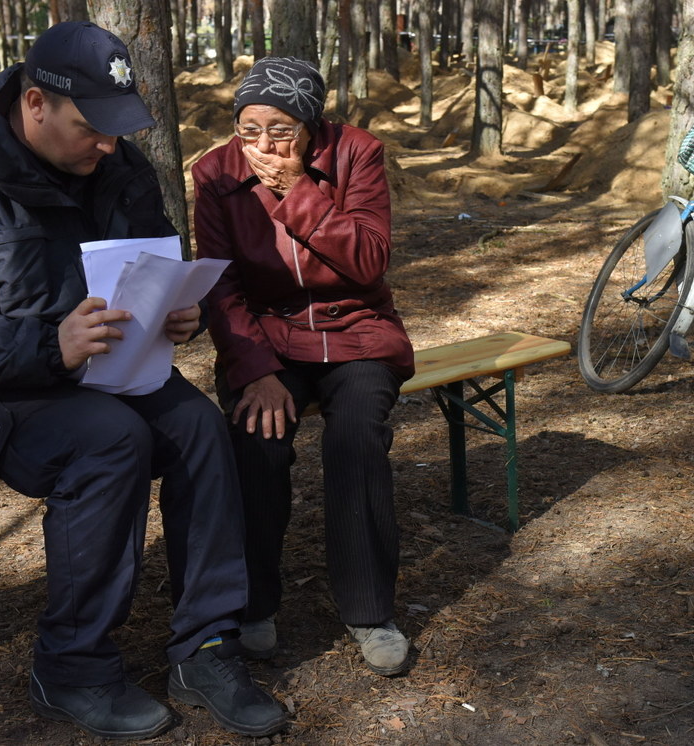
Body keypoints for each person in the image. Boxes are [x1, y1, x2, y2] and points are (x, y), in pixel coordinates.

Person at [0, 21, 287, 740]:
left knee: (198, 429)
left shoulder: (117, 166)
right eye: (90, 128)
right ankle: (71, 666)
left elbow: (147, 262)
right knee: (110, 441)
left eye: (117, 129)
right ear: (35, 103)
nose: (107, 145)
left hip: (94, 364)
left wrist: (170, 314)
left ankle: (206, 645)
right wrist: (48, 344)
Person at [192, 57, 415, 676]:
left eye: (281, 129)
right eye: (248, 129)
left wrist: (298, 192)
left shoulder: (358, 153)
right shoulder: (214, 172)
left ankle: (370, 611)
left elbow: (369, 260)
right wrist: (253, 369)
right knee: (257, 440)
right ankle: (253, 604)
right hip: (267, 336)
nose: (263, 146)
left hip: (357, 330)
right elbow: (221, 286)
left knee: (357, 440)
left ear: (312, 125)